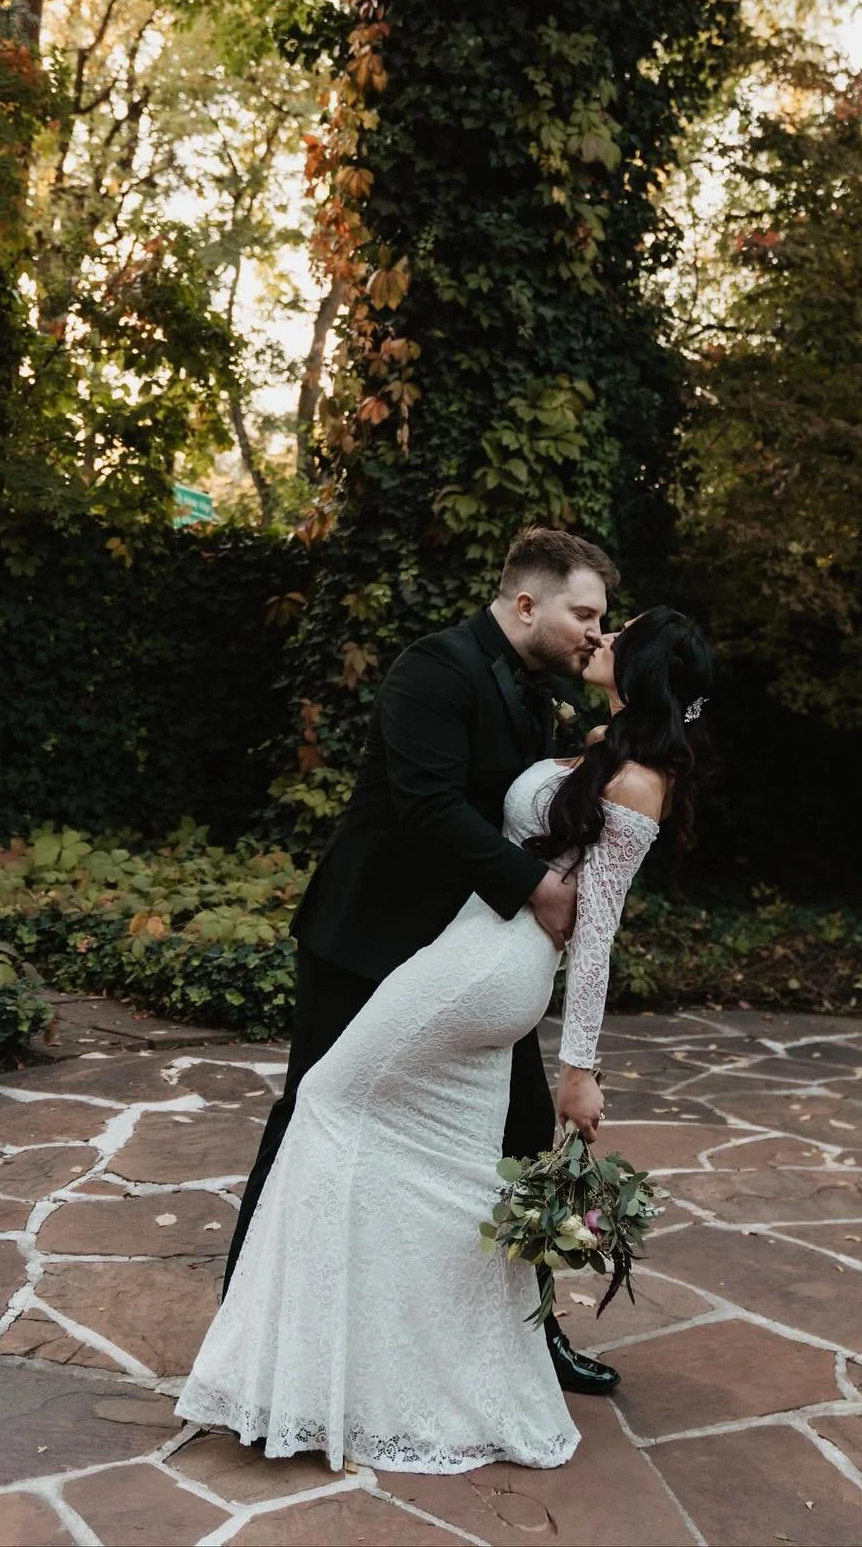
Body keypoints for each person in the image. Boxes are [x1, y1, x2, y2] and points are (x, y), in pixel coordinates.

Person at [177, 596, 715, 1472]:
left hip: (489, 969)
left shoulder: (641, 782)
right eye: (598, 619)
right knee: (459, 1169)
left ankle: (305, 1367)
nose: (602, 637)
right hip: (476, 950)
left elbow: (597, 934)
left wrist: (580, 1068)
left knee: (327, 1099)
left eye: (619, 634)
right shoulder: (604, 750)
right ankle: (425, 1373)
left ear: (646, 671)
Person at [222, 525, 621, 1396]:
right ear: (526, 603)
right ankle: (243, 1329)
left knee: (518, 1138)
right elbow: (426, 807)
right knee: (311, 1117)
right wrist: (539, 892)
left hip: (467, 961)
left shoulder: (537, 689)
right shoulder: (432, 668)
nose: (596, 631)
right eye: (584, 613)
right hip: (368, 942)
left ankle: (527, 1332)